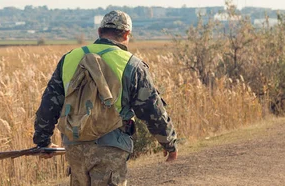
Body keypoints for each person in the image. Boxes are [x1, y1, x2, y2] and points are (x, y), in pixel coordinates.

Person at [33, 10, 178, 186]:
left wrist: (43, 141)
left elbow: (49, 105)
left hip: (74, 148)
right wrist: (168, 143)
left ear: (99, 32)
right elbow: (152, 110)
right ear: (126, 34)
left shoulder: (70, 58)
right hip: (111, 147)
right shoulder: (132, 64)